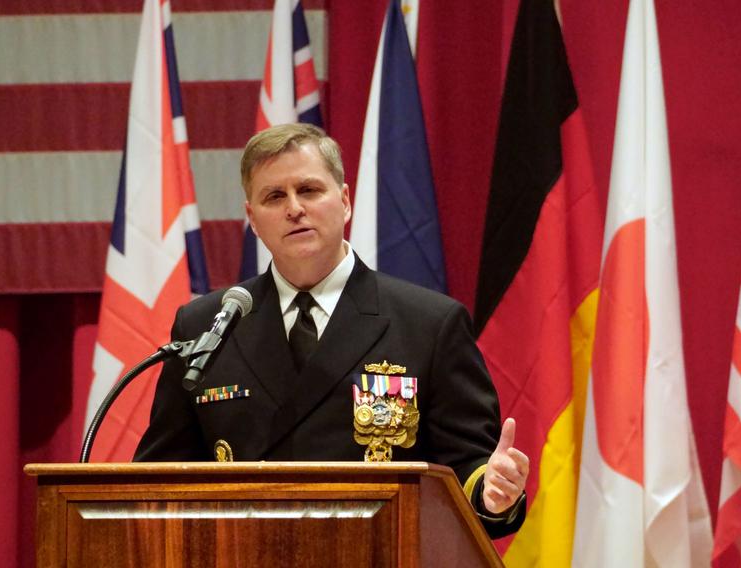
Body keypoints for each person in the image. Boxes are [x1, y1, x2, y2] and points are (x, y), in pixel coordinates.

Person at [135, 123, 528, 538]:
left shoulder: (429, 324)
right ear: (252, 218)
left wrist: (493, 491)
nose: (294, 209)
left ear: (344, 201)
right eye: (274, 196)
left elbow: (467, 467)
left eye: (308, 190)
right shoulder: (207, 324)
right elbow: (157, 477)